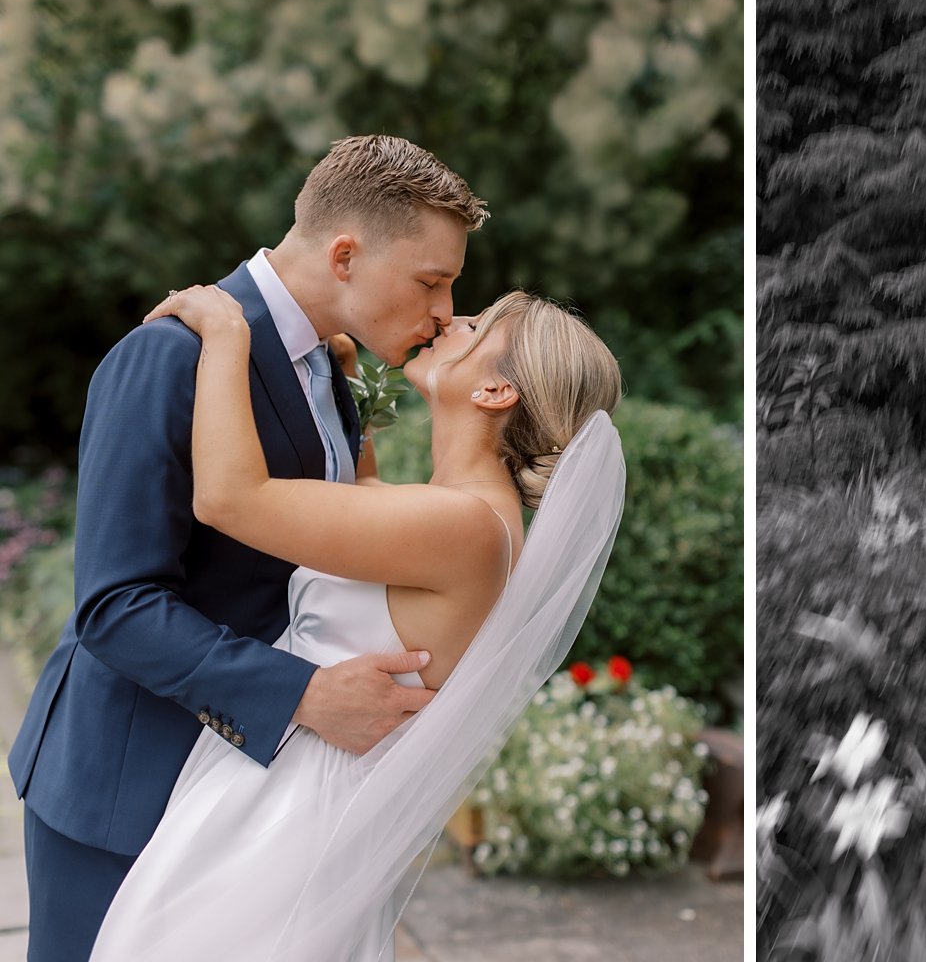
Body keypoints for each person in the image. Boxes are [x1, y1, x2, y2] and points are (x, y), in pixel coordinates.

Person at [8, 134, 489, 961]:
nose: (444, 311)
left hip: (240, 799)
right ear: (346, 254)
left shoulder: (331, 372)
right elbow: (115, 608)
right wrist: (304, 695)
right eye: (432, 281)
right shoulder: (170, 355)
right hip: (127, 788)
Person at [90, 283, 625, 960]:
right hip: (290, 791)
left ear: (495, 392)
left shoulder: (463, 527)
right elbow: (361, 495)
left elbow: (229, 499)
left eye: (479, 325)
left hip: (287, 818)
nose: (453, 319)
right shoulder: (465, 513)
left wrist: (228, 337)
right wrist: (341, 382)